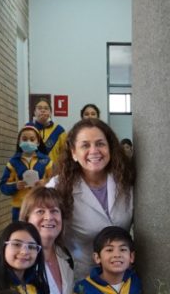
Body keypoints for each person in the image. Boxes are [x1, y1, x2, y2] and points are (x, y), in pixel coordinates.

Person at [46, 118, 135, 280]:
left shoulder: (125, 179)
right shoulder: (58, 186)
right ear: (74, 153)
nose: (94, 151)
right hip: (81, 277)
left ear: (110, 148)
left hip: (124, 276)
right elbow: (39, 230)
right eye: (85, 145)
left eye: (100, 144)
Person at [0, 126, 50, 220]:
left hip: (41, 206)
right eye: (24, 139)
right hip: (19, 208)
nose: (28, 142)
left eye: (32, 139)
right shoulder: (13, 162)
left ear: (38, 142)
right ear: (19, 142)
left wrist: (45, 184)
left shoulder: (46, 161)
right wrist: (15, 186)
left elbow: (57, 182)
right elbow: (3, 186)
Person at [28, 97, 67, 166]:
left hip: (53, 171)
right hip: (32, 171)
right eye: (39, 108)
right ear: (34, 112)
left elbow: (65, 155)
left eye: (46, 108)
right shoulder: (28, 128)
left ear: (50, 112)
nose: (43, 110)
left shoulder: (59, 131)